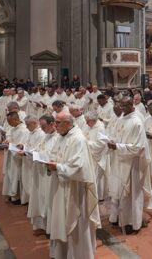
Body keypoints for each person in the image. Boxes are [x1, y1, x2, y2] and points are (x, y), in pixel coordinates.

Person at [46, 111, 100, 259]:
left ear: (68, 123)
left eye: (58, 123)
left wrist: (57, 167)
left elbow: (78, 167)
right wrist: (49, 162)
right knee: (60, 220)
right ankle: (62, 254)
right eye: (55, 122)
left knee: (75, 225)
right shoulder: (61, 136)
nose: (55, 125)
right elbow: (55, 154)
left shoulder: (78, 139)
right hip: (60, 186)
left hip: (74, 190)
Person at [107, 97, 152, 234]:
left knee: (131, 194)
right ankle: (117, 217)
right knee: (118, 191)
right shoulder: (122, 118)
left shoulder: (137, 122)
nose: (122, 108)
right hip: (120, 160)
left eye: (125, 105)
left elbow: (138, 148)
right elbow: (116, 135)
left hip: (132, 164)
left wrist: (118, 146)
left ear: (132, 104)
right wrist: (111, 142)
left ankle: (132, 222)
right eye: (121, 105)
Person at [27, 115, 59, 238]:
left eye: (44, 126)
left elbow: (55, 155)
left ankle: (49, 227)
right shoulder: (46, 136)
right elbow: (38, 148)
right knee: (39, 199)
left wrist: (42, 156)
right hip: (39, 172)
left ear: (52, 124)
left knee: (47, 200)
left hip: (49, 175)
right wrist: (28, 151)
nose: (42, 129)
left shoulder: (57, 138)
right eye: (41, 126)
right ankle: (41, 226)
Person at [1, 112, 29, 204]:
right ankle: (13, 194)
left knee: (17, 177)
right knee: (11, 175)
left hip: (18, 158)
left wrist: (11, 145)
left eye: (10, 121)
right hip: (11, 156)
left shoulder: (24, 130)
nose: (9, 124)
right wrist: (7, 141)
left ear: (16, 119)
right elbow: (9, 136)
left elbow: (22, 145)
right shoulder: (13, 128)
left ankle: (18, 197)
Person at [18, 115, 45, 205]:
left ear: (34, 123)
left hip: (34, 164)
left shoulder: (41, 134)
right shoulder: (31, 132)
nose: (26, 127)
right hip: (28, 161)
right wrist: (23, 146)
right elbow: (29, 144)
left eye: (28, 125)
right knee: (27, 182)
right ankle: (30, 202)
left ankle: (34, 204)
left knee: (33, 184)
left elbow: (38, 149)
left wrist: (26, 152)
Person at [83, 111, 109, 201]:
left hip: (96, 157)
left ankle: (94, 199)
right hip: (88, 155)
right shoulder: (88, 126)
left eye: (88, 121)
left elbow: (101, 144)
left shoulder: (100, 128)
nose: (86, 123)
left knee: (95, 179)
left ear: (94, 120)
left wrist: (86, 143)